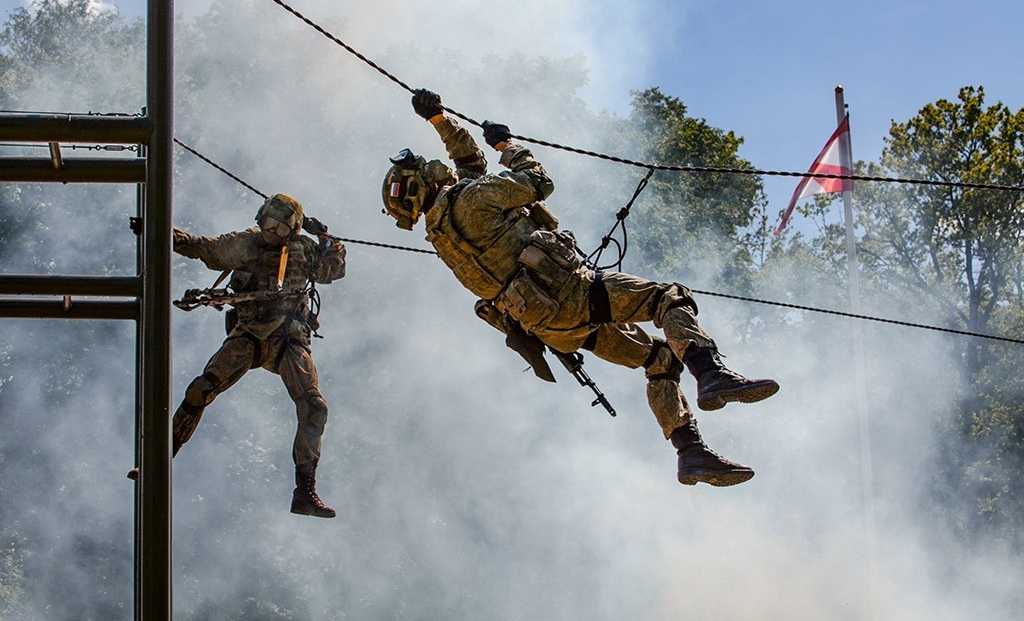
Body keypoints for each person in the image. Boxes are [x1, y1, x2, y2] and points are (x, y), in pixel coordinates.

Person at [381, 89, 779, 487]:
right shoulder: (473, 199)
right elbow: (538, 181)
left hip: (560, 331)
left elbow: (468, 164)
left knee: (659, 361)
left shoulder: (443, 235)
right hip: (575, 295)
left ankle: (690, 453)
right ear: (422, 182)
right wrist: (508, 145)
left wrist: (439, 120)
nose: (432, 165)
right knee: (667, 299)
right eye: (424, 167)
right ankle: (710, 373)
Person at [170, 193, 346, 517]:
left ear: (292, 231)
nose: (271, 232)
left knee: (315, 407)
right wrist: (169, 236)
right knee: (200, 389)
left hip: (289, 340)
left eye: (281, 229)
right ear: (260, 218)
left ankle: (304, 492)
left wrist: (326, 239)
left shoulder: (304, 250)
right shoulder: (245, 243)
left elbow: (333, 270)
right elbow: (204, 248)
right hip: (249, 333)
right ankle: (161, 454)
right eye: (268, 224)